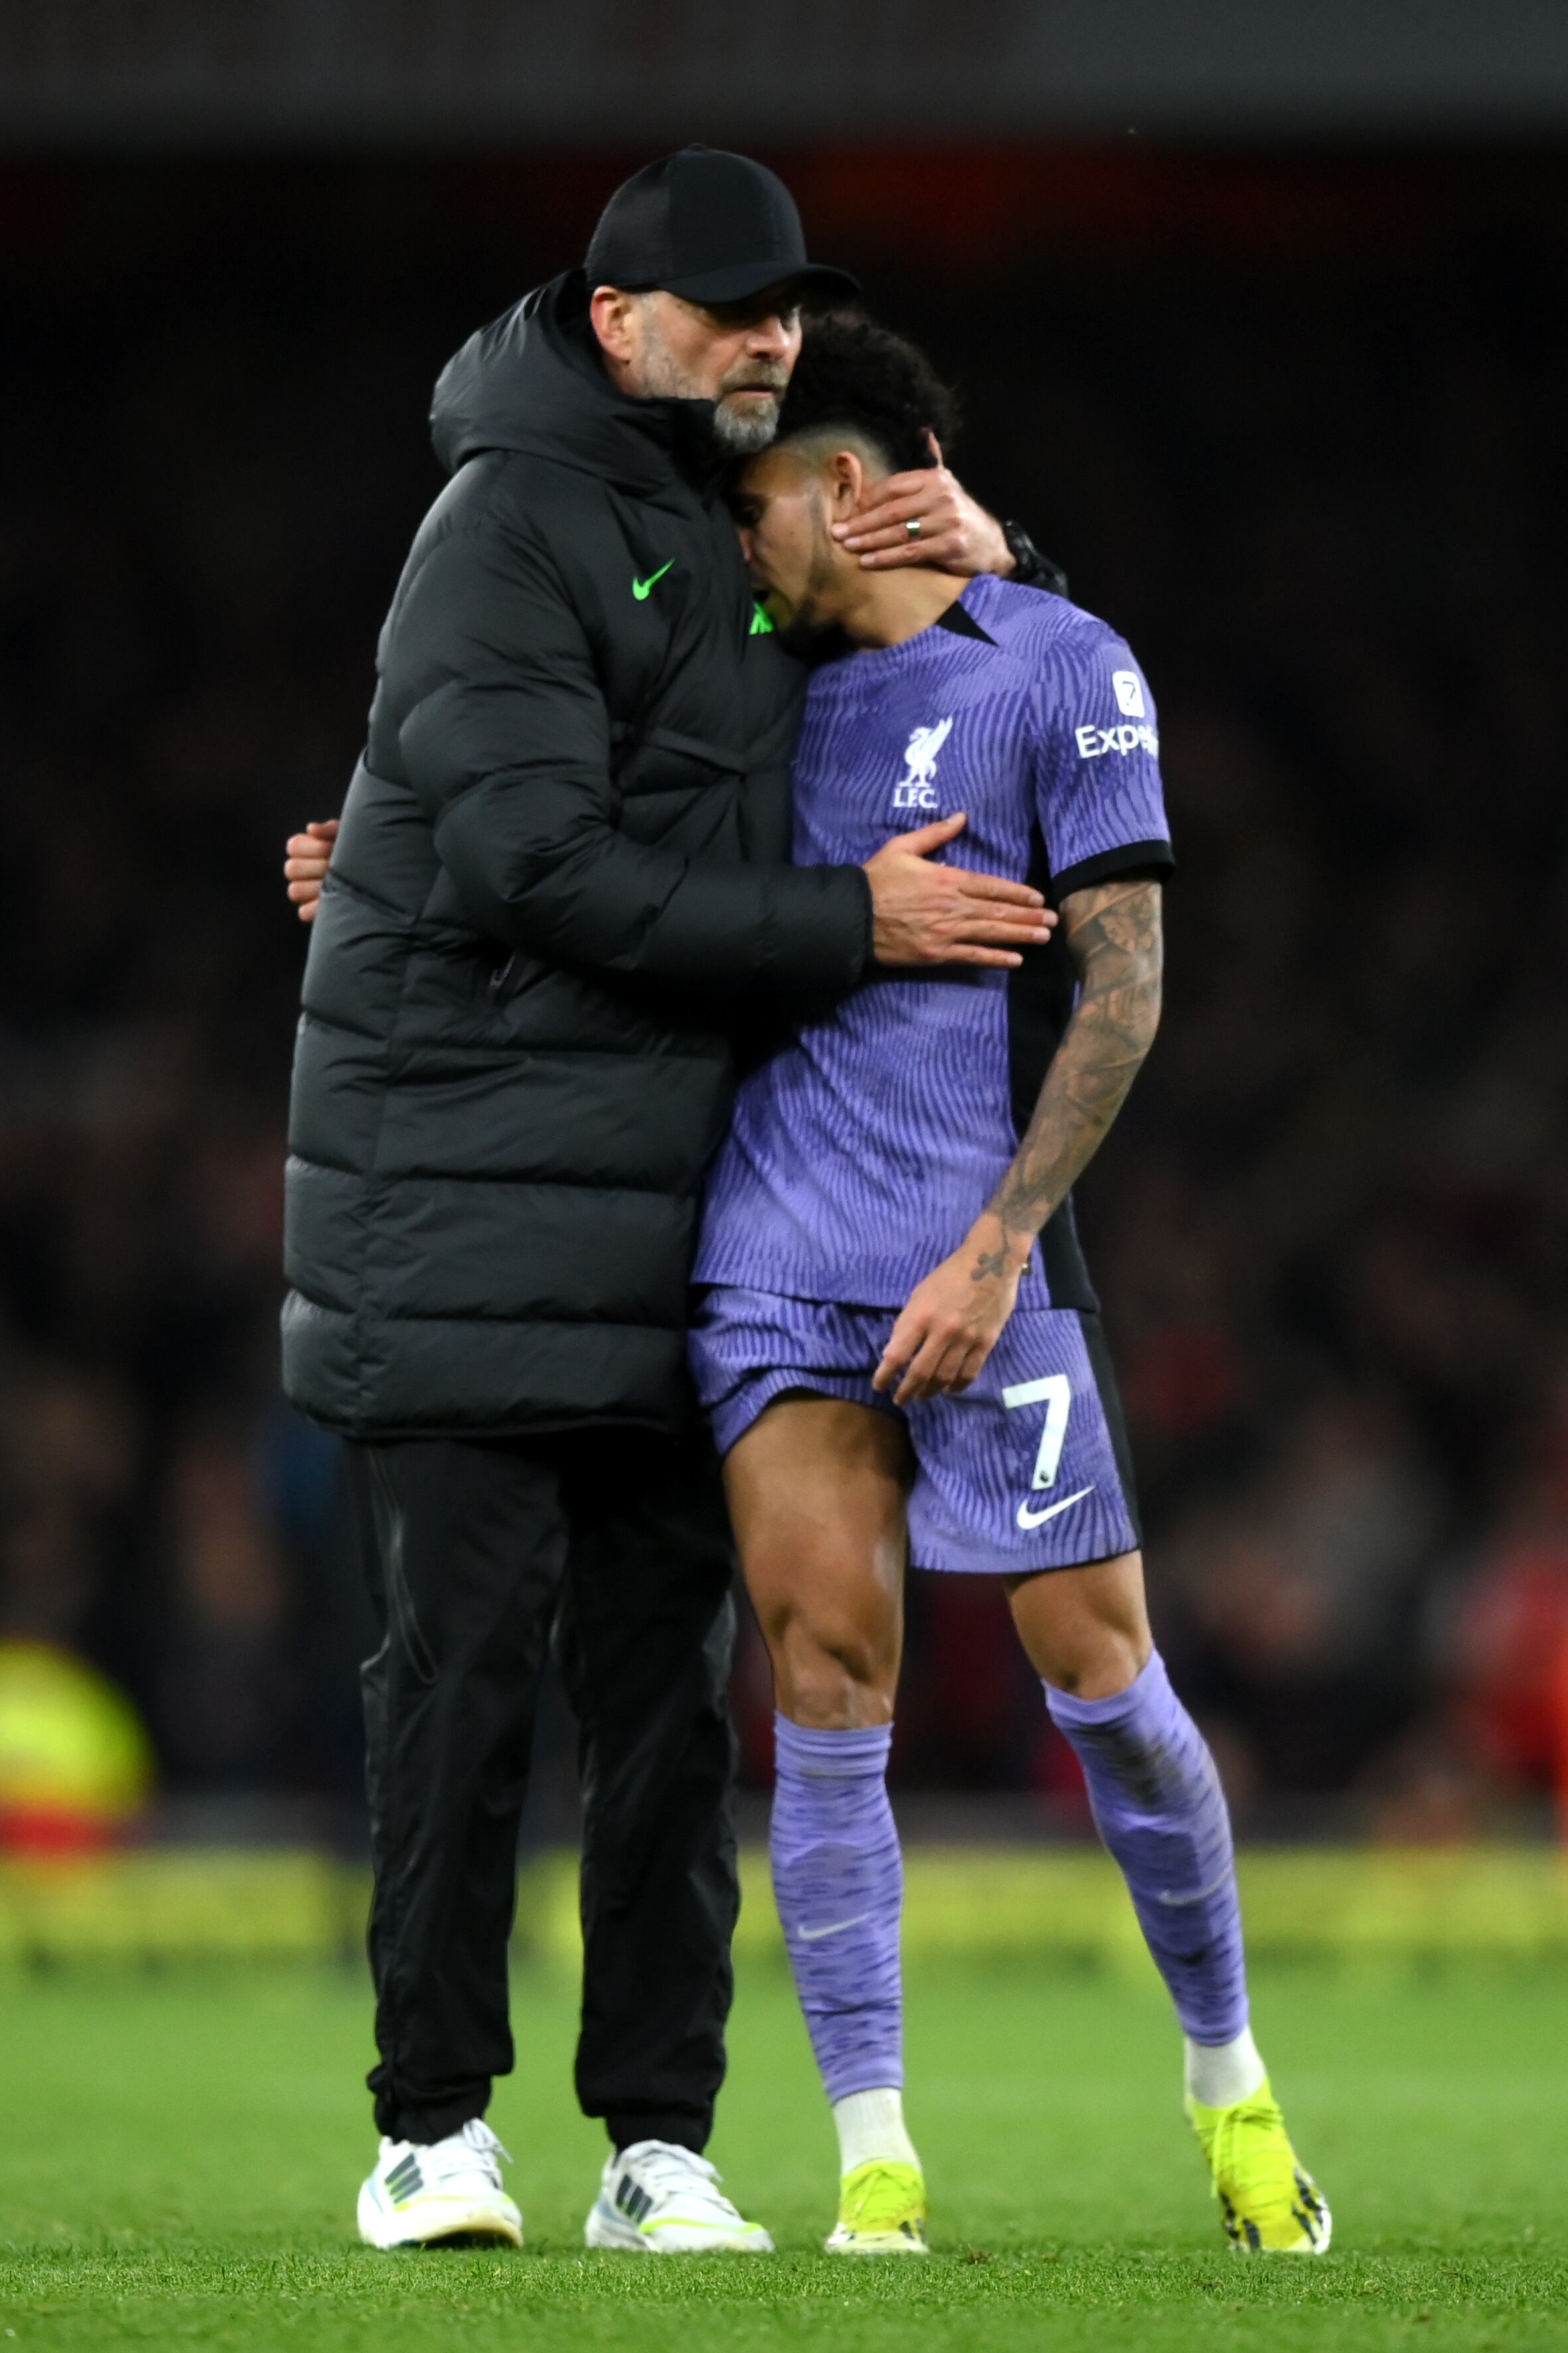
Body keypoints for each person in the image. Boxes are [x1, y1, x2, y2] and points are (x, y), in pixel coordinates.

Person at [281, 146, 1058, 2256]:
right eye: (725, 308)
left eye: (785, 306)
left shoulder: (744, 524)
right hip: (457, 1194)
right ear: (614, 318)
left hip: (683, 1215)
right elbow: (529, 862)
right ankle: (428, 2129)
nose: (767, 338)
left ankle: (654, 2142)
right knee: (457, 1681)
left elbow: (984, 698)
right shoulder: (508, 521)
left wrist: (1004, 558)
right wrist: (846, 924)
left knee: (660, 1691)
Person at [685, 315, 1331, 2257]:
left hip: (986, 1251)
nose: (733, 543)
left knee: (1102, 1682)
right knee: (821, 1686)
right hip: (776, 1254)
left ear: (848, 489)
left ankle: (1227, 2081)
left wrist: (988, 1252)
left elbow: (1124, 995)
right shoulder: (742, 687)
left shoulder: (1062, 666)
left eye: (750, 501)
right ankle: (873, 2156)